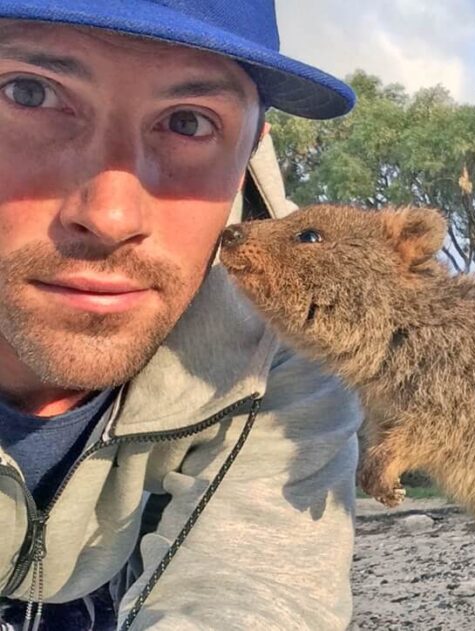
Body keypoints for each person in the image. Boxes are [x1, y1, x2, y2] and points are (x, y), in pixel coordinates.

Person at [0, 2, 361, 630]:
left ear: (251, 150)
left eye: (188, 122)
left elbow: (252, 597)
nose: (111, 217)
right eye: (29, 93)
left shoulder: (286, 341)